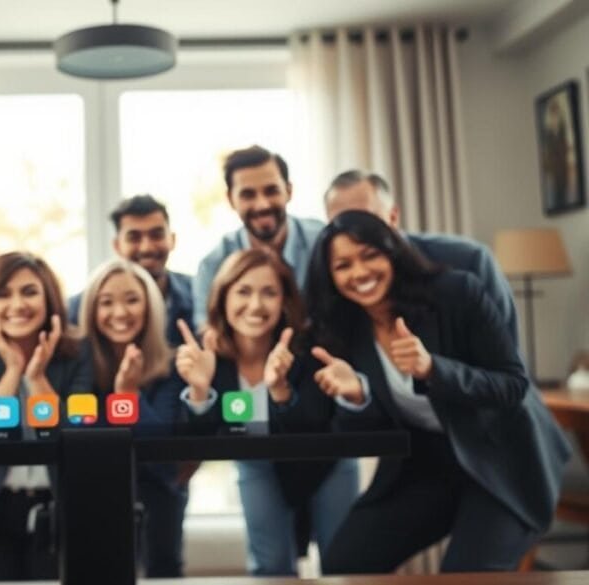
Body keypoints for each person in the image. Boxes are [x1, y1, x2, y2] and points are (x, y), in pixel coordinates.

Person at [305, 210, 571, 573]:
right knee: (343, 563)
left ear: (392, 252)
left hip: (504, 460)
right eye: (343, 265)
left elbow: (513, 384)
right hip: (427, 465)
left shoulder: (457, 293)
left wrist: (433, 369)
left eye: (370, 255)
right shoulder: (346, 327)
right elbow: (364, 429)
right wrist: (357, 396)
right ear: (331, 277)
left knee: (462, 578)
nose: (360, 273)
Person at [193, 145, 358, 575]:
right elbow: (213, 345)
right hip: (255, 438)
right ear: (231, 200)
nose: (261, 203)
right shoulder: (214, 263)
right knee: (270, 564)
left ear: (288, 190)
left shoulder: (326, 243)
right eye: (248, 194)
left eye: (271, 190)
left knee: (342, 559)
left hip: (321, 428)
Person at [175, 249, 351, 575]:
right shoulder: (209, 355)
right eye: (243, 291)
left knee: (341, 562)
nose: (255, 305)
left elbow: (312, 426)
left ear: (285, 301)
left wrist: (279, 389)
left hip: (326, 462)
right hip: (256, 461)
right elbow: (201, 435)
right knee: (271, 566)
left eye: (269, 292)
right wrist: (200, 389)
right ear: (222, 297)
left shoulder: (309, 347)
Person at [0, 252, 93, 581]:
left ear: (48, 297)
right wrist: (13, 370)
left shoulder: (78, 350)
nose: (17, 304)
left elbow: (73, 442)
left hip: (57, 511)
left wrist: (36, 378)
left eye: (29, 291)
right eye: (3, 294)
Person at [68, 194, 195, 577]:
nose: (119, 313)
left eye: (156, 234)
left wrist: (129, 395)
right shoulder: (78, 343)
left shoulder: (176, 340)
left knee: (163, 564)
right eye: (106, 303)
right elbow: (78, 431)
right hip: (95, 484)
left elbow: (166, 450)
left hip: (161, 483)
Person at [323, 169, 517, 344]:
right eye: (341, 223)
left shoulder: (467, 260)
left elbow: (509, 361)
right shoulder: (332, 279)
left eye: (366, 219)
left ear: (393, 217)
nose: (353, 233)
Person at [69, 194, 194, 347]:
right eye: (134, 238)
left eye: (157, 235)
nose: (146, 247)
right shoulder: (79, 309)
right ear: (117, 246)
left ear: (172, 240)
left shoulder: (198, 296)